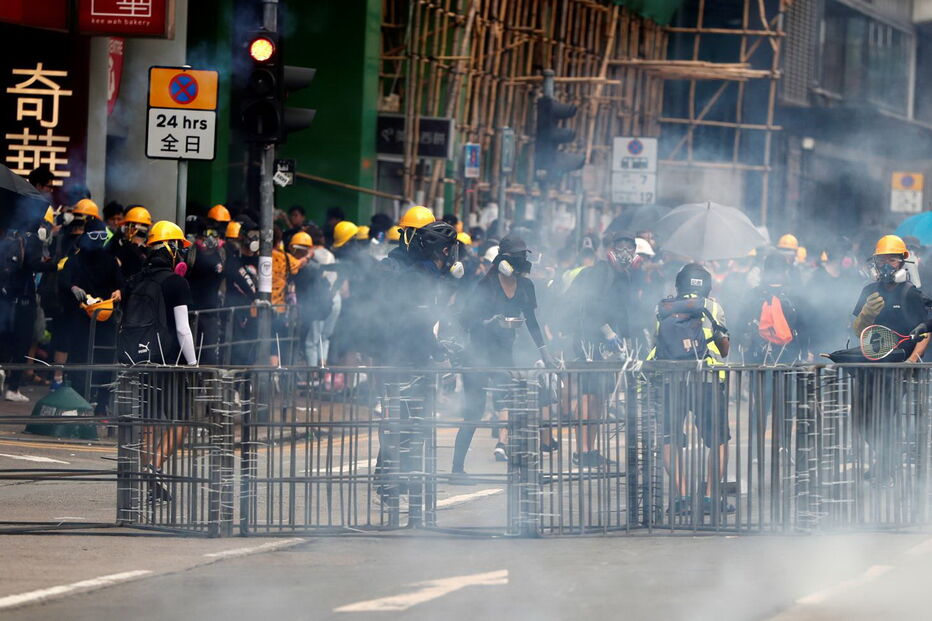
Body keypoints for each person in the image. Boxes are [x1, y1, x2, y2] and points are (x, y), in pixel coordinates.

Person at [451, 236, 553, 481]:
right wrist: (490, 321)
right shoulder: (486, 285)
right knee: (473, 413)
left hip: (505, 355)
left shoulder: (526, 286)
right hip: (478, 356)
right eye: (517, 256)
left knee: (517, 410)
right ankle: (457, 469)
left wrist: (545, 352)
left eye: (524, 256)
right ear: (504, 258)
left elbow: (532, 322)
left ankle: (525, 471)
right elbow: (465, 320)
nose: (522, 261)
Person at [118, 220, 196, 502]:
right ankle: (154, 467)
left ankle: (151, 478)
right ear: (172, 248)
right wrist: (194, 365)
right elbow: (183, 329)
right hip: (169, 363)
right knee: (182, 420)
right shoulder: (176, 282)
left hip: (140, 361)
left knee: (150, 422)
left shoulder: (137, 279)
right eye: (180, 247)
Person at [648, 263, 732, 516]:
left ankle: (681, 497)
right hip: (706, 378)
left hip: (670, 379)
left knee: (669, 437)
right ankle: (709, 499)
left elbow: (657, 341)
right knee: (718, 439)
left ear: (678, 284)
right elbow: (724, 348)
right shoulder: (713, 306)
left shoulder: (663, 307)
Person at [561, 230, 639, 468]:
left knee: (600, 397)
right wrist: (607, 332)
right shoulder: (601, 272)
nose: (626, 253)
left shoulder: (624, 276)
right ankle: (582, 451)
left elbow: (623, 310)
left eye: (630, 249)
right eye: (621, 248)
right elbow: (592, 305)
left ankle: (591, 450)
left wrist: (626, 337)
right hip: (590, 342)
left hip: (610, 345)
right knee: (588, 395)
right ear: (610, 250)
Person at [54, 218, 122, 407]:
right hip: (81, 319)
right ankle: (78, 402)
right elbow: (63, 281)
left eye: (102, 236)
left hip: (106, 318)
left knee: (106, 361)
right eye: (94, 236)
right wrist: (72, 287)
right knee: (79, 359)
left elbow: (121, 283)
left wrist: (119, 291)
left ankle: (102, 404)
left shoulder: (110, 261)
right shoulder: (75, 260)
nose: (98, 241)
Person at [0, 209, 56, 402]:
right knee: (22, 343)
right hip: (24, 300)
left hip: (6, 299)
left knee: (5, 340)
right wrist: (55, 265)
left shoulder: (9, 236)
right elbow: (34, 264)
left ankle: (3, 373)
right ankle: (13, 387)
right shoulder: (32, 239)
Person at [852, 235, 928, 362]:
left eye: (892, 260)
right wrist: (865, 315)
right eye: (882, 260)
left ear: (901, 263)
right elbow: (858, 333)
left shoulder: (911, 293)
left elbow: (925, 332)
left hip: (905, 365)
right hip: (874, 362)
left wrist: (911, 360)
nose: (886, 266)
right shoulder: (869, 291)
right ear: (875, 263)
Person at [185, 216, 227, 365]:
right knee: (189, 350)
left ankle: (207, 385)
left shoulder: (221, 253)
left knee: (208, 352)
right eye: (207, 235)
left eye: (214, 235)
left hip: (211, 311)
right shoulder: (192, 253)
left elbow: (225, 278)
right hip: (191, 310)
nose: (210, 239)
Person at [111, 206, 151, 280]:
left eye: (126, 225)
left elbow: (113, 270)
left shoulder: (125, 250)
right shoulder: (151, 251)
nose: (124, 228)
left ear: (132, 228)